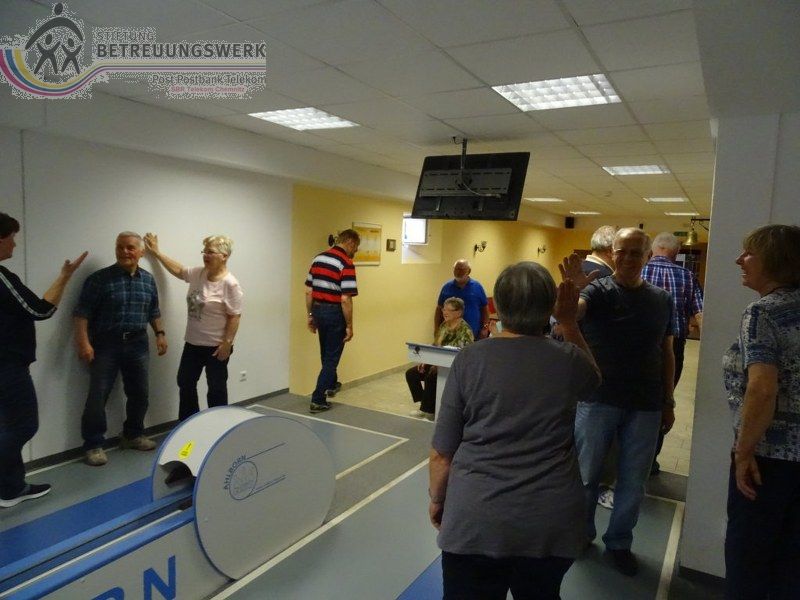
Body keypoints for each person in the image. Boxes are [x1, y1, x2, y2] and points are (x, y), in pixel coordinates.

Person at [429, 261, 600, 599]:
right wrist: (568, 322)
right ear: (550, 307)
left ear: (498, 307)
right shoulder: (568, 359)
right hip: (550, 522)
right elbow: (594, 382)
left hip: (476, 518)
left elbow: (442, 453)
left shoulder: (469, 359)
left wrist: (438, 499)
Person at [561, 227, 675, 576]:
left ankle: (620, 542)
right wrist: (571, 292)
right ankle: (580, 535)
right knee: (586, 474)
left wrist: (668, 400)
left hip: (646, 403)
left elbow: (667, 351)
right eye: (620, 251)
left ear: (647, 257)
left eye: (635, 252)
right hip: (599, 399)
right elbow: (571, 315)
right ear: (612, 253)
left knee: (633, 481)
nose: (626, 258)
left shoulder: (661, 299)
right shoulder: (597, 291)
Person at [723, 224, 800, 600]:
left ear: (774, 261)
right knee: (790, 567)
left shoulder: (762, 312)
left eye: (749, 253)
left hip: (767, 461)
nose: (740, 259)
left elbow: (762, 388)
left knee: (748, 563)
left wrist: (743, 452)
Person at [1, 213, 87, 508]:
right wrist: (65, 277)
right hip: (7, 366)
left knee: (7, 426)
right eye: (12, 237)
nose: (14, 244)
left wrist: (64, 276)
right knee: (24, 426)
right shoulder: (1, 277)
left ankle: (11, 488)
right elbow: (39, 310)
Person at [74, 232, 168, 467]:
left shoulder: (148, 280)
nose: (124, 252)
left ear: (141, 252)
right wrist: (83, 342)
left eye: (130, 248)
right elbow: (81, 313)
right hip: (106, 344)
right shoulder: (99, 279)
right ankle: (93, 444)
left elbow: (153, 310)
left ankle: (133, 435)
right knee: (98, 395)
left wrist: (160, 334)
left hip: (138, 343)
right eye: (120, 247)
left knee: (140, 393)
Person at [144, 233, 243, 421]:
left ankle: (219, 425)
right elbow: (179, 270)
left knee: (216, 388)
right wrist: (157, 253)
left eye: (210, 252)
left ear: (224, 256)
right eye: (204, 251)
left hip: (216, 347)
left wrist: (227, 344)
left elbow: (234, 316)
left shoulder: (230, 284)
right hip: (193, 343)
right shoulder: (198, 273)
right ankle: (190, 423)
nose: (206, 255)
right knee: (185, 381)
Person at [642, 231, 704, 474]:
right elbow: (700, 314)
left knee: (635, 395)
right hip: (674, 347)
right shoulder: (688, 276)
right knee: (663, 398)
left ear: (652, 250)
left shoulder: (639, 271)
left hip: (640, 344)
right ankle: (650, 461)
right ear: (676, 252)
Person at [305, 229, 359, 413]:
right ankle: (318, 399)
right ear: (350, 242)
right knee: (331, 358)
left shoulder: (318, 258)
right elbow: (345, 299)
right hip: (334, 312)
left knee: (326, 353)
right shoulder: (346, 263)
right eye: (356, 247)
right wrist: (349, 325)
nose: (355, 251)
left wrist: (310, 315)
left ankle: (330, 384)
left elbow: (308, 291)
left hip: (318, 309)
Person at [406, 297, 473, 420]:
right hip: (437, 363)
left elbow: (466, 354)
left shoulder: (465, 330)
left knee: (431, 376)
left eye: (449, 310)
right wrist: (426, 360)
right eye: (444, 309)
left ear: (458, 312)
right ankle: (424, 404)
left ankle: (428, 411)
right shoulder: (443, 325)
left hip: (454, 367)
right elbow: (435, 344)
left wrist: (438, 364)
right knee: (412, 374)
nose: (444, 312)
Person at [435, 259, 490, 341]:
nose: (458, 272)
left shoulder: (477, 287)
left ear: (469, 271)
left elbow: (485, 309)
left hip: (474, 335)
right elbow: (439, 309)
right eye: (456, 269)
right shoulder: (446, 288)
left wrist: (485, 328)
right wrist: (436, 329)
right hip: (450, 336)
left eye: (461, 269)